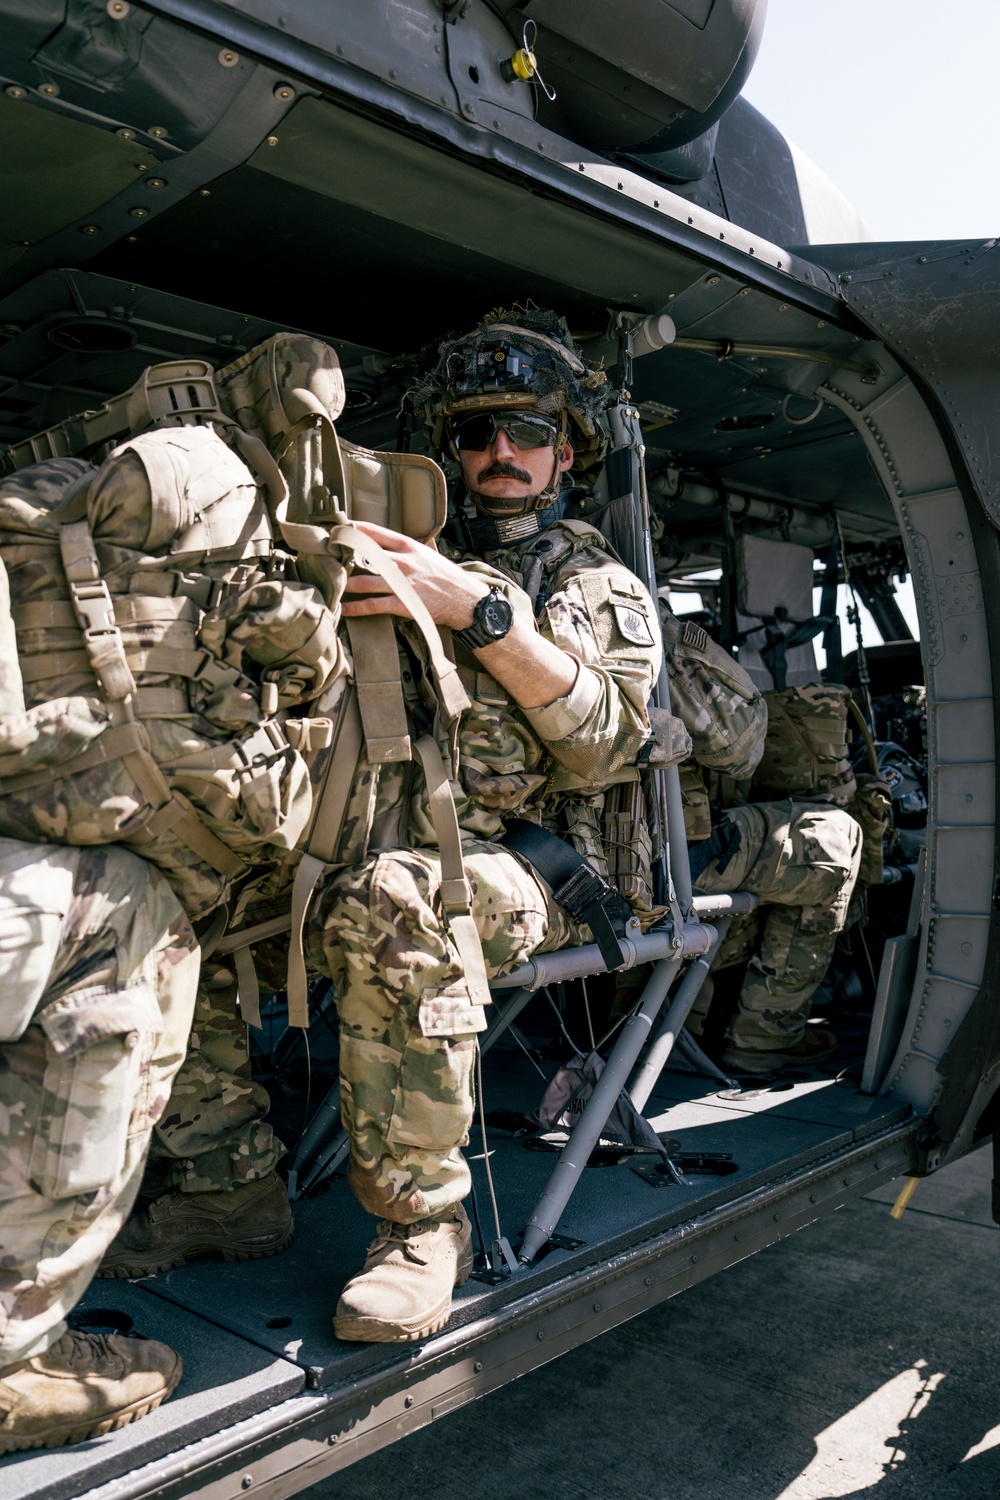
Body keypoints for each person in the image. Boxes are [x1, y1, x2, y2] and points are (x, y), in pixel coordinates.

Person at [302, 308, 664, 1342]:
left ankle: (423, 1231)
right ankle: (218, 1179)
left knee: (396, 903)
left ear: (566, 450)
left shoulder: (590, 580)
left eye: (525, 433)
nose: (500, 455)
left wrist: (481, 614)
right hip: (405, 828)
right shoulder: (402, 555)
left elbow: (606, 744)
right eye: (474, 436)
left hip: (553, 865)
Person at [661, 604, 863, 1073]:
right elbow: (735, 747)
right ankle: (765, 1034)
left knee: (759, 870)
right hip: (663, 866)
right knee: (834, 839)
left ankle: (663, 1026)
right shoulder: (646, 635)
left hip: (578, 867)